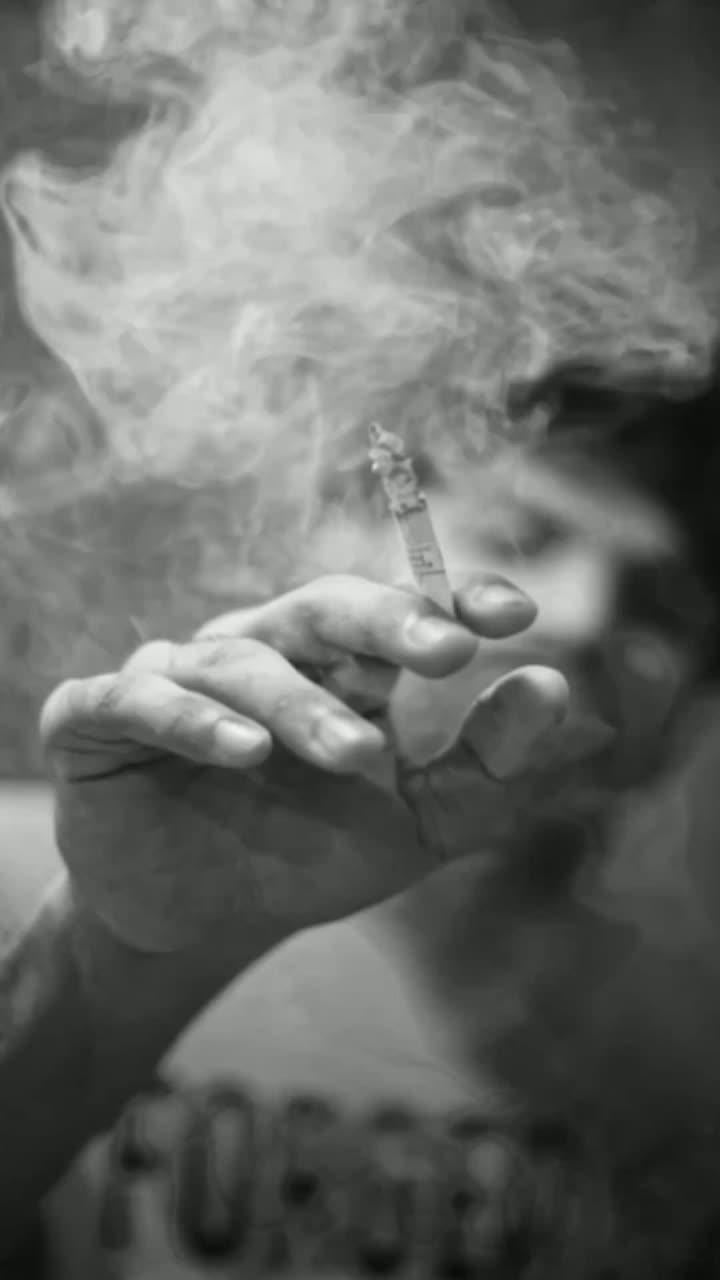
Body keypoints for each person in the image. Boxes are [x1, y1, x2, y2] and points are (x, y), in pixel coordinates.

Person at [0, 566, 567, 1257]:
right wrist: (109, 966)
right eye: (524, 532)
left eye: (655, 596)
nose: (586, 611)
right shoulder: (44, 868)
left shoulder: (656, 1043)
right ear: (335, 535)